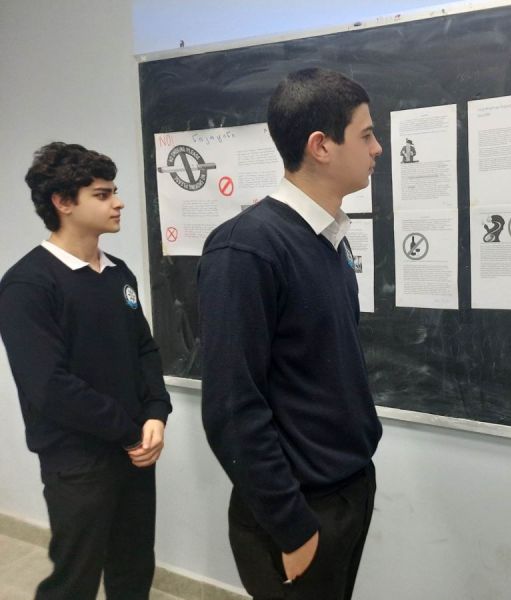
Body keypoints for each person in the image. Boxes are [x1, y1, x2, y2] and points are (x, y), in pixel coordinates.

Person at [198, 68, 383, 600]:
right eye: (366, 134)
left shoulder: (329, 238)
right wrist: (290, 523)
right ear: (321, 146)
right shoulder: (246, 249)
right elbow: (232, 406)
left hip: (347, 488)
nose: (377, 148)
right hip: (298, 510)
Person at [0, 142, 171, 600]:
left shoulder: (118, 273)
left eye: (114, 191)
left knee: (134, 570)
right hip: (77, 463)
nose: (118, 203)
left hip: (134, 453)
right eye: (102, 194)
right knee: (73, 581)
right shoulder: (27, 284)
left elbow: (144, 350)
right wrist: (130, 431)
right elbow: (49, 387)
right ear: (63, 202)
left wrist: (156, 413)